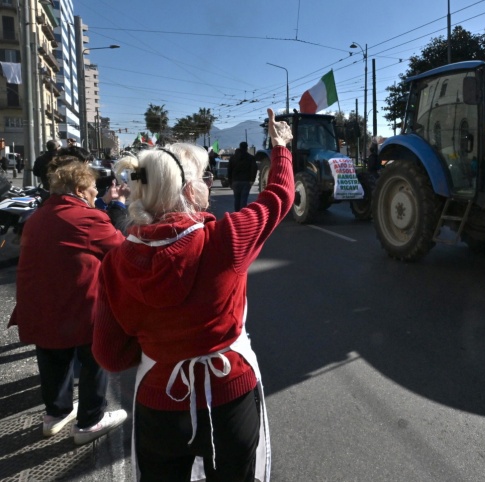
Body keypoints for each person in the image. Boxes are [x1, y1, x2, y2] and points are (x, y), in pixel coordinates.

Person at [93, 108, 294, 481]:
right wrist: (281, 147)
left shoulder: (115, 263)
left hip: (159, 406)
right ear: (188, 191)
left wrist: (164, 348)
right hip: (230, 398)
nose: (208, 180)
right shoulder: (226, 239)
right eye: (203, 176)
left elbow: (109, 353)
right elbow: (280, 195)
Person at [8, 159, 129, 445]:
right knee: (95, 358)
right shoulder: (87, 218)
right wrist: (119, 207)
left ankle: (55, 414)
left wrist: (103, 202)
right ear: (78, 189)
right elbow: (121, 249)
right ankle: (90, 421)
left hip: (38, 303)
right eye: (91, 190)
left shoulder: (39, 215)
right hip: (78, 303)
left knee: (53, 357)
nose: (93, 195)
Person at [227, 141, 258, 212]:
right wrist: (252, 180)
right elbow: (254, 169)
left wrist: (230, 182)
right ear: (246, 148)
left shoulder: (233, 158)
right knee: (244, 199)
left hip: (235, 181)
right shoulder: (250, 158)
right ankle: (242, 215)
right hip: (246, 181)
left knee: (236, 199)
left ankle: (236, 213)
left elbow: (229, 170)